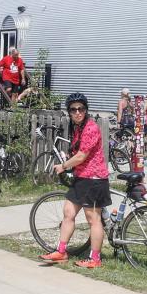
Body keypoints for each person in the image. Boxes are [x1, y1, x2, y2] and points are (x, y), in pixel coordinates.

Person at [39, 93, 111, 269]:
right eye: (73, 109)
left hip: (94, 179)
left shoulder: (90, 128)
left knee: (93, 219)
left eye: (81, 109)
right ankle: (61, 252)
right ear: (69, 112)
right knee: (68, 212)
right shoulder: (77, 128)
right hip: (81, 178)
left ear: (86, 111)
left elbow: (81, 156)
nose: (77, 112)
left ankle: (95, 258)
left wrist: (64, 166)